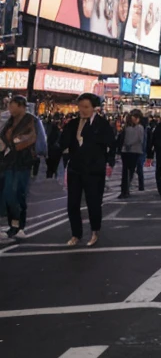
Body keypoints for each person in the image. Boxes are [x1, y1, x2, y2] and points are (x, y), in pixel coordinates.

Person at [59, 93, 116, 247]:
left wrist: (108, 162)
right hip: (75, 168)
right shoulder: (72, 124)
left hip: (94, 170)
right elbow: (62, 142)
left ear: (94, 108)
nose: (82, 110)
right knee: (73, 203)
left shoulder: (102, 125)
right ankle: (76, 234)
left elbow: (111, 145)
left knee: (93, 202)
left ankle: (94, 231)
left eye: (86, 107)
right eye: (80, 107)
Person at [0, 95, 37, 238]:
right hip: (9, 162)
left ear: (21, 106)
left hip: (23, 162)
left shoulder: (30, 120)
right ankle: (13, 225)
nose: (10, 109)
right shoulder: (9, 121)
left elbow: (29, 138)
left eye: (12, 106)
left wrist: (12, 144)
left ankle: (20, 225)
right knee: (8, 194)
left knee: (19, 193)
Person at [119, 109, 145, 199]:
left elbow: (141, 140)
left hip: (134, 151)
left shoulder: (140, 127)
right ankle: (124, 190)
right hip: (126, 151)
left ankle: (126, 189)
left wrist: (129, 144)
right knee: (125, 171)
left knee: (130, 170)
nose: (135, 119)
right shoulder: (126, 127)